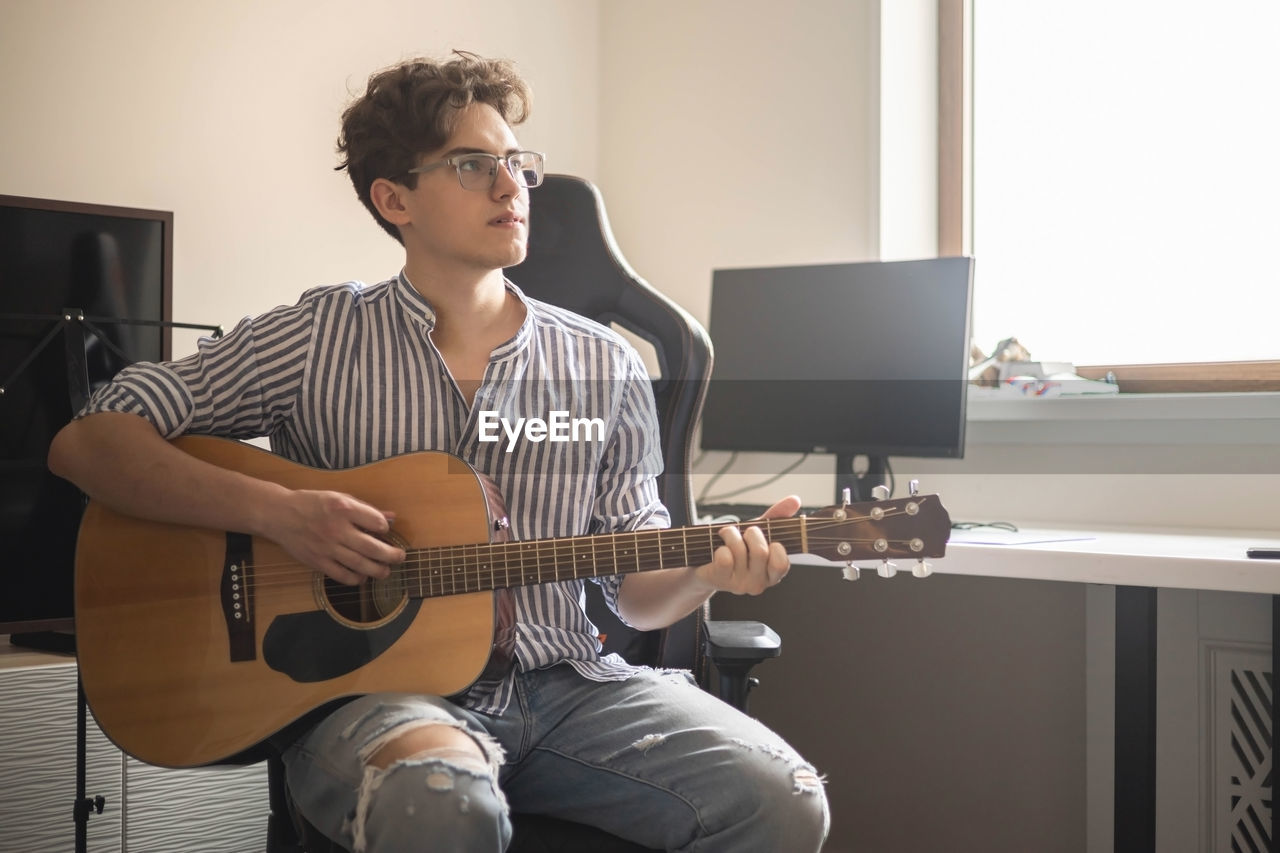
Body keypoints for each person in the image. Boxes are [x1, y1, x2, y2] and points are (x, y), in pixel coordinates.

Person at [48, 51, 829, 852]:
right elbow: (91, 441)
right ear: (396, 199)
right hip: (378, 699)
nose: (511, 187)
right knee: (441, 800)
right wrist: (280, 514)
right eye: (473, 165)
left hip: (572, 691)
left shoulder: (607, 364)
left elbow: (634, 595)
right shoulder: (315, 337)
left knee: (784, 799)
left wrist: (706, 568)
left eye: (517, 164)